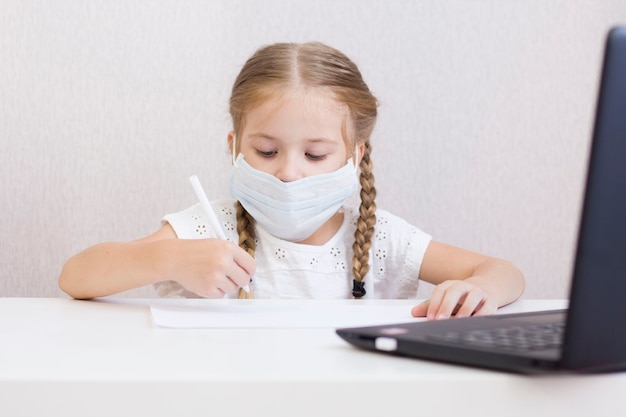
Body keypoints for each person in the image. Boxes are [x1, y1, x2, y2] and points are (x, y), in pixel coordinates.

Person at [58, 41, 524, 320]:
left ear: (355, 155)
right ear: (234, 145)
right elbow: (75, 276)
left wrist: (479, 290)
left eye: (316, 153)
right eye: (266, 151)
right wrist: (170, 259)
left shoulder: (382, 239)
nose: (288, 172)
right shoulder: (206, 228)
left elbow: (505, 272)